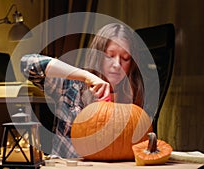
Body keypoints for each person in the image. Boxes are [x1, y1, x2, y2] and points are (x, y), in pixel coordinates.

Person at [20, 23, 144, 158]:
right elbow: (28, 64)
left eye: (125, 58)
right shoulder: (71, 86)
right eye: (109, 56)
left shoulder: (133, 99)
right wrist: (87, 76)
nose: (116, 65)